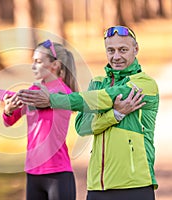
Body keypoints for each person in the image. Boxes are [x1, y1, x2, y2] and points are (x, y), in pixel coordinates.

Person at [17, 26, 159, 200]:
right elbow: (82, 127)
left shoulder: (144, 84)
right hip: (97, 187)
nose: (116, 57)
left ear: (135, 49)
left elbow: (102, 98)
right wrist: (114, 115)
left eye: (123, 50)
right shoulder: (97, 83)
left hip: (135, 184)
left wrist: (52, 100)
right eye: (111, 50)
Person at [0, 40, 78, 200]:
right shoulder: (33, 90)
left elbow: (32, 99)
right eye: (32, 61)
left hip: (58, 173)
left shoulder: (63, 92)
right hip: (33, 173)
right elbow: (9, 121)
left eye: (38, 62)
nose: (33, 66)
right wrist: (8, 109)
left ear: (55, 65)